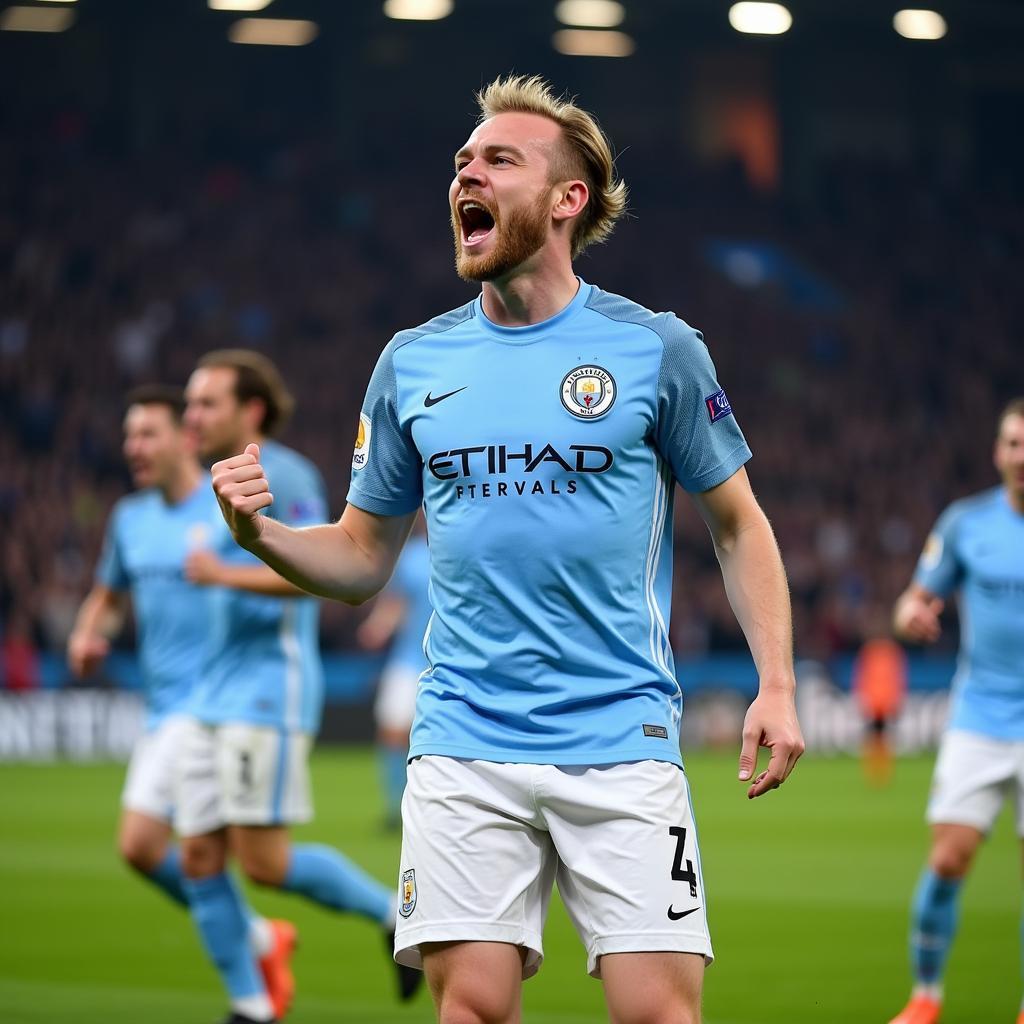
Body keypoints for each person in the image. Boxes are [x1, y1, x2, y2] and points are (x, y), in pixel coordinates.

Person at [209, 76, 804, 1024]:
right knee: (470, 1009)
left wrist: (775, 681)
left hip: (621, 738)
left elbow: (738, 523)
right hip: (463, 741)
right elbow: (361, 557)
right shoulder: (413, 362)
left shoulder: (654, 349)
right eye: (460, 163)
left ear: (567, 199)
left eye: (497, 160)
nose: (464, 176)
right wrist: (262, 535)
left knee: (660, 1014)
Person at [179, 349, 420, 1024]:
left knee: (263, 863)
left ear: (251, 410)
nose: (191, 416)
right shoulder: (205, 481)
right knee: (195, 851)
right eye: (190, 404)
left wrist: (222, 575)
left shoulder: (286, 474)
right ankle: (252, 1003)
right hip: (210, 691)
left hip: (265, 690)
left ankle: (389, 916)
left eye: (206, 403)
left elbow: (316, 574)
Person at [65, 385, 295, 1018]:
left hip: (220, 705)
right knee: (141, 848)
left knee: (201, 854)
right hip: (162, 705)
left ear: (182, 439)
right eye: (128, 436)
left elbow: (283, 574)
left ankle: (252, 1001)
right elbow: (108, 597)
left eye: (147, 434)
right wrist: (88, 635)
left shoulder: (225, 505)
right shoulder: (129, 519)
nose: (132, 447)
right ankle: (257, 935)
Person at [888, 397, 1024, 1024]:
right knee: (947, 858)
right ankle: (926, 997)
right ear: (997, 452)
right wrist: (912, 615)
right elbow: (910, 601)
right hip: (981, 715)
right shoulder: (967, 523)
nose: (1021, 456)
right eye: (1012, 443)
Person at [356, 523, 432, 828]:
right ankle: (397, 806)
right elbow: (396, 603)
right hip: (408, 659)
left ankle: (426, 806)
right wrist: (378, 627)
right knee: (392, 732)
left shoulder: (467, 549)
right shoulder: (411, 556)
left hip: (447, 661)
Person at [851, 615, 907, 786]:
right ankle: (876, 770)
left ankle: (880, 770)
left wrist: (896, 698)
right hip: (876, 701)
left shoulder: (889, 651)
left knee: (880, 737)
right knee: (875, 737)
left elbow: (896, 678)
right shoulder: (874, 651)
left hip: (883, 701)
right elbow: (863, 677)